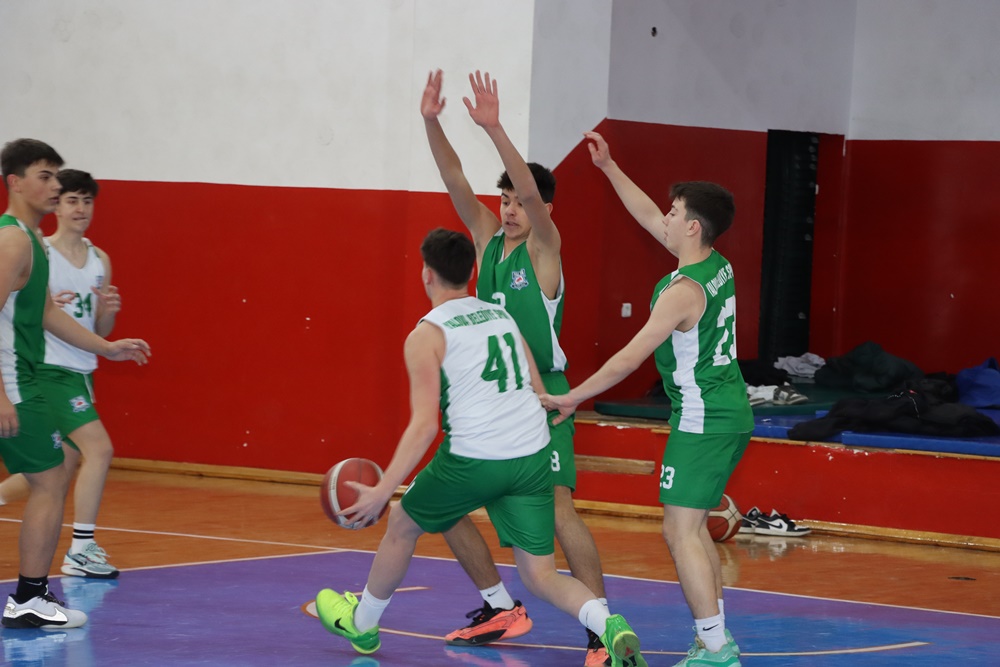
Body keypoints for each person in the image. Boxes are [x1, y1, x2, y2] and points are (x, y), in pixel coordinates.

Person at [315, 228, 646, 667]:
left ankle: (363, 624)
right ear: (472, 271)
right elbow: (536, 386)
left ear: (426, 274)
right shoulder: (499, 314)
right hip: (531, 455)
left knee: (401, 523)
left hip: (475, 460)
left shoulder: (426, 335)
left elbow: (423, 426)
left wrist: (383, 489)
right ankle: (609, 624)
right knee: (540, 574)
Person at [541, 132, 753, 667]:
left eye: (674, 212)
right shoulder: (715, 264)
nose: (665, 217)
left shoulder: (682, 292)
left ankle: (716, 648)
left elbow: (627, 359)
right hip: (727, 410)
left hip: (703, 417)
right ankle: (715, 638)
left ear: (693, 226)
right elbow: (646, 216)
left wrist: (573, 398)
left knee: (678, 530)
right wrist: (609, 166)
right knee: (693, 527)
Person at [422, 69, 612, 666]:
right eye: (502, 199)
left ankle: (603, 630)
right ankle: (499, 605)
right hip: (494, 397)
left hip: (545, 396)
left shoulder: (543, 248)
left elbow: (532, 193)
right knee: (442, 500)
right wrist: (430, 122)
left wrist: (495, 128)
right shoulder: (485, 242)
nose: (507, 209)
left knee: (557, 509)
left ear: (542, 209)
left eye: (517, 202)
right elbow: (453, 178)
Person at [0, 138, 150, 629]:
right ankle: (31, 596)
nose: (54, 186)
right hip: (14, 378)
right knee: (51, 479)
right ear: (15, 182)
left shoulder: (31, 241)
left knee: (53, 473)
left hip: (25, 377)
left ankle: (32, 596)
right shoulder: (15, 241)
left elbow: (45, 312)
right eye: (44, 176)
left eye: (55, 176)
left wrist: (105, 346)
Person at [0, 169, 123, 578]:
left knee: (59, 466)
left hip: (82, 370)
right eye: (72, 200)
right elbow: (32, 310)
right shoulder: (39, 251)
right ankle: (81, 549)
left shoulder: (100, 259)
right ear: (57, 204)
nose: (80, 208)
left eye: (87, 201)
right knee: (99, 450)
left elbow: (100, 328)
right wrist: (45, 303)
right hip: (49, 368)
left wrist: (107, 314)